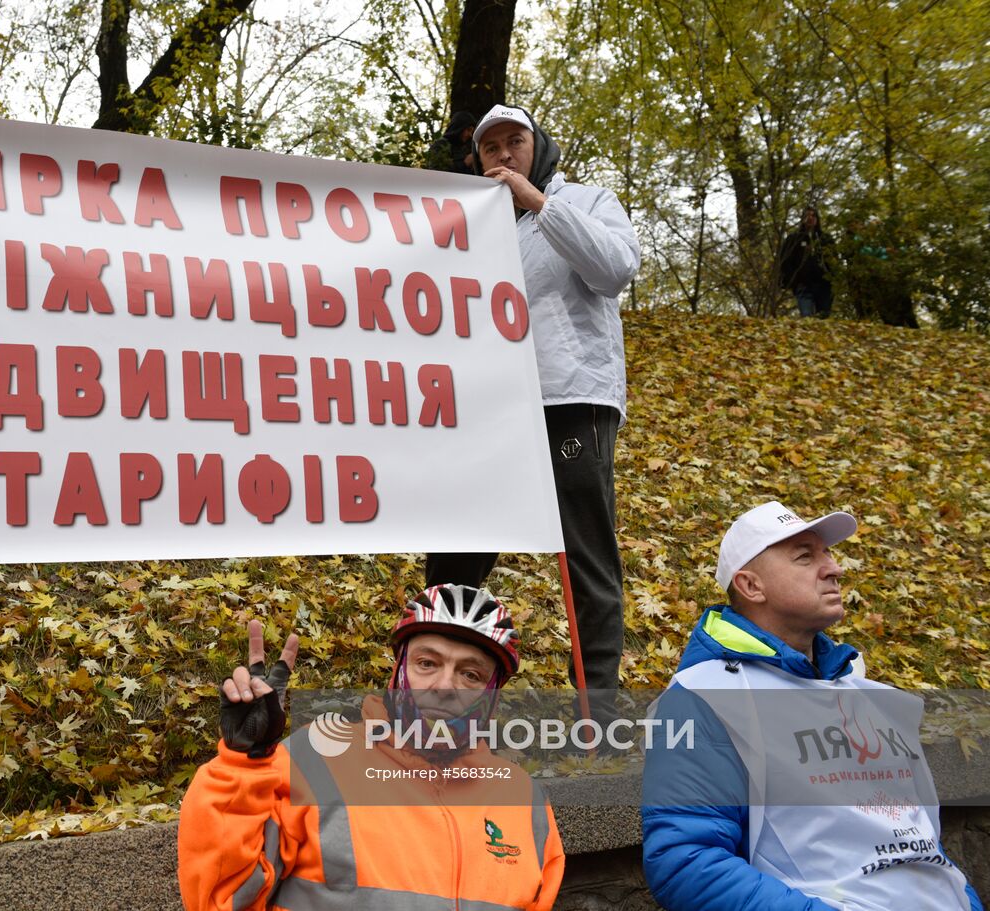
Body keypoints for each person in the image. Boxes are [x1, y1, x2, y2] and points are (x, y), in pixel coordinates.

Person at [641, 501, 984, 911]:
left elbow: (917, 840)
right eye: (805, 556)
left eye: (828, 553)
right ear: (751, 586)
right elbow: (686, 862)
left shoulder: (863, 689)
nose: (834, 568)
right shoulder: (704, 695)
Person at [426, 104, 641, 713]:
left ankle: (599, 705)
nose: (502, 155)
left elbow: (616, 268)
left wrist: (538, 203)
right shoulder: (465, 228)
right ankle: (431, 690)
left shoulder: (588, 200)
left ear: (537, 148)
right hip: (493, 412)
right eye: (490, 148)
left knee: (583, 550)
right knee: (456, 548)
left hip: (571, 400)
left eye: (514, 142)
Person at [178, 584, 565, 910]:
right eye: (427, 664)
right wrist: (245, 762)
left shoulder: (523, 798)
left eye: (470, 674)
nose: (444, 686)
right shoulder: (313, 760)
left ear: (493, 694)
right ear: (398, 669)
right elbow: (219, 898)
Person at [780, 206, 835, 318]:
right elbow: (785, 261)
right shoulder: (794, 239)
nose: (810, 218)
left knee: (824, 318)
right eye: (807, 215)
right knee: (806, 319)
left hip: (824, 285)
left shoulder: (825, 239)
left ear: (817, 219)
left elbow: (834, 260)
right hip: (803, 286)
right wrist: (793, 281)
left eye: (813, 215)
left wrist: (832, 278)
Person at [424, 110, 477, 174]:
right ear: (459, 127)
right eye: (468, 130)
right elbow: (436, 173)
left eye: (471, 132)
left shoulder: (467, 148)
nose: (470, 135)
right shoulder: (440, 145)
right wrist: (465, 163)